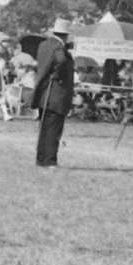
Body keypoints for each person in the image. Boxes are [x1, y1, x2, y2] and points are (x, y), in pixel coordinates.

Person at [31, 18, 74, 168]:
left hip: (44, 92)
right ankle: (50, 160)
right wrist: (58, 74)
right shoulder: (59, 47)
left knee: (44, 127)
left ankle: (40, 158)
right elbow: (61, 61)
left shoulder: (43, 45)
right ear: (65, 35)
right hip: (56, 93)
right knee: (54, 129)